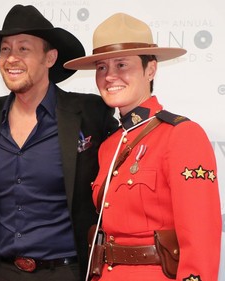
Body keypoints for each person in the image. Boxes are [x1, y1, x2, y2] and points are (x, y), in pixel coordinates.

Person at [64, 13, 222, 281]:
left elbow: (201, 239)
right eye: (102, 67)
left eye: (122, 64)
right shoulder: (109, 145)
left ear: (151, 69)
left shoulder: (182, 135)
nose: (109, 76)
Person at [0, 4, 118, 281]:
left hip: (67, 271)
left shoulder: (90, 112)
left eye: (24, 48)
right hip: (0, 270)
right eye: (5, 49)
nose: (11, 58)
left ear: (50, 58)